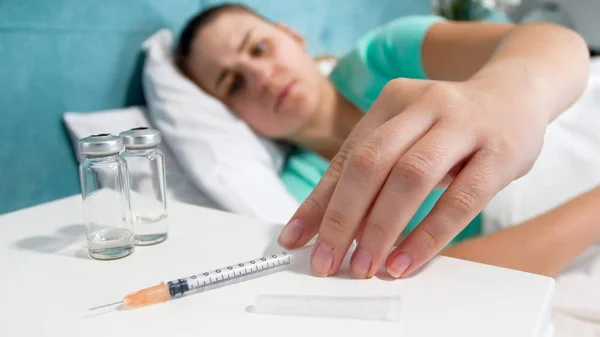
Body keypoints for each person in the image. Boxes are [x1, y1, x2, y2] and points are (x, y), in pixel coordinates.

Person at [174, 3, 593, 279]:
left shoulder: (383, 54)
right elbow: (448, 275)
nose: (262, 77)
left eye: (260, 48)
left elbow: (552, 43)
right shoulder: (306, 198)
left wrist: (505, 95)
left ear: (293, 36)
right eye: (233, 84)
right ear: (230, 115)